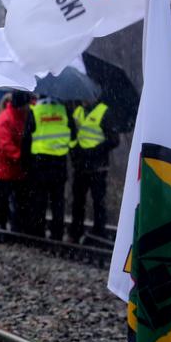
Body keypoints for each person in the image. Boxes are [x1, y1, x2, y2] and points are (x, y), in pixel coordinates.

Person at [0, 90, 32, 243]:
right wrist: (21, 156)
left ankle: (16, 231)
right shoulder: (6, 119)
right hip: (6, 170)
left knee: (18, 202)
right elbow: (5, 145)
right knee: (0, 203)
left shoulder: (20, 116)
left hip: (16, 169)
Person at [23, 94, 74, 240]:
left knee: (39, 200)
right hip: (59, 163)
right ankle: (57, 233)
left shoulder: (35, 110)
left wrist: (26, 162)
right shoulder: (64, 110)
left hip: (40, 163)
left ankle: (38, 232)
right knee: (58, 201)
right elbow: (73, 136)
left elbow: (26, 137)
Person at [69, 96, 120, 242]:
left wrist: (95, 150)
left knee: (98, 202)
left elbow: (114, 140)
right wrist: (76, 153)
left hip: (98, 167)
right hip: (80, 167)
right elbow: (72, 137)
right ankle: (76, 232)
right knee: (78, 202)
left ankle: (99, 233)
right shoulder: (77, 112)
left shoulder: (103, 112)